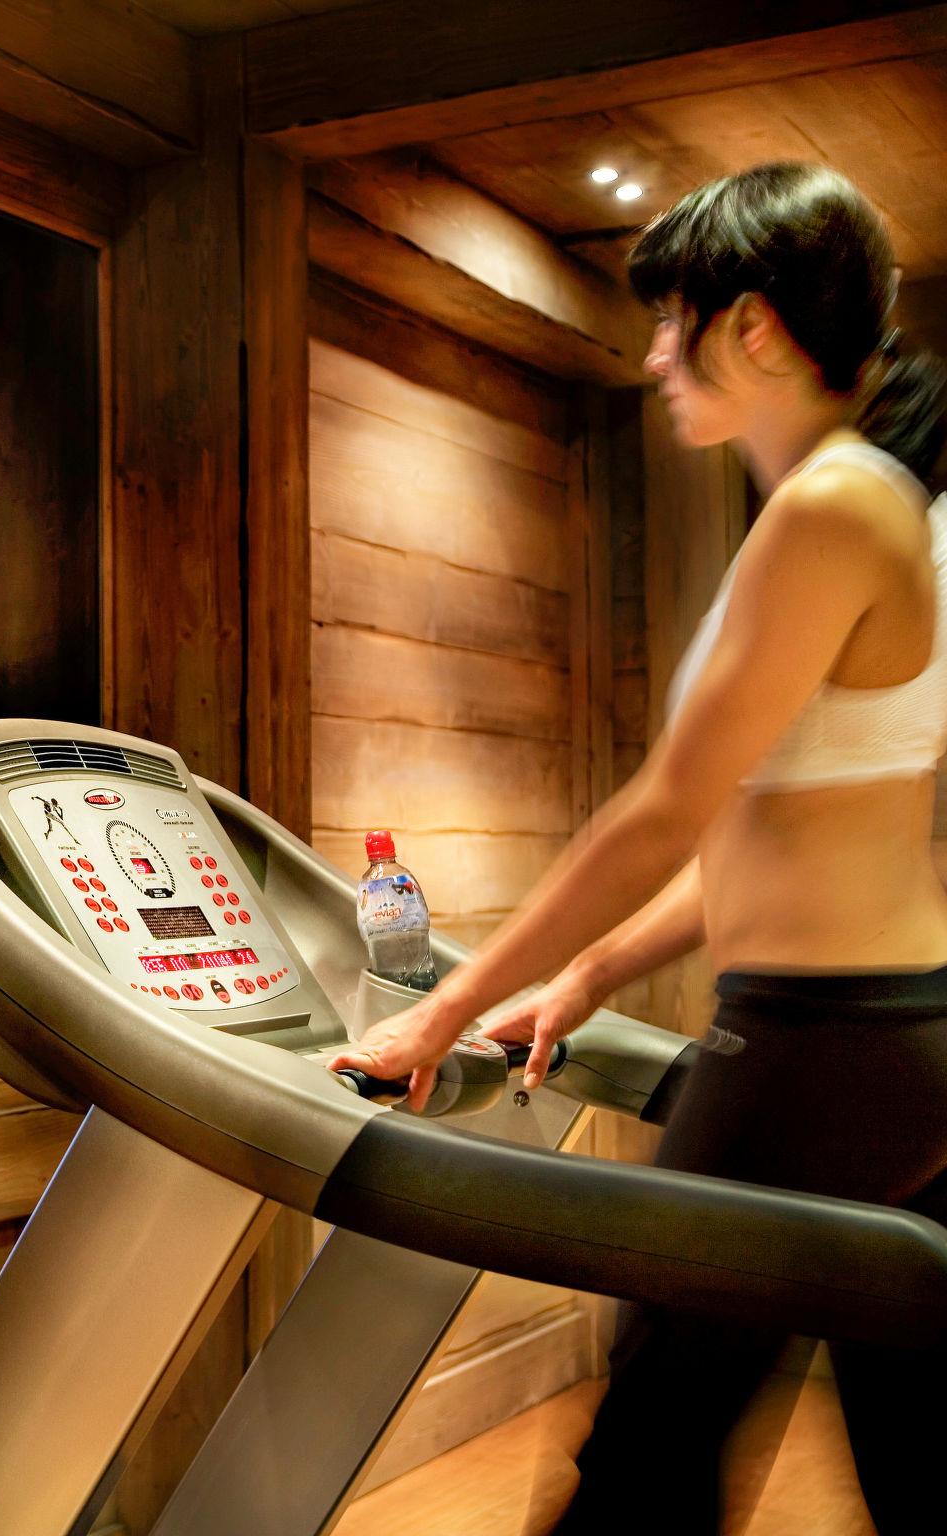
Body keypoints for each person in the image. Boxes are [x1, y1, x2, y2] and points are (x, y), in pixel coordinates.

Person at [326, 161, 947, 1535]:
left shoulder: (835, 509)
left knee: (648, 1453)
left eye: (675, 318)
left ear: (757, 327)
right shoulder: (863, 503)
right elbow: (765, 826)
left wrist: (444, 1009)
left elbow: (667, 807)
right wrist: (591, 971)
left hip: (816, 1050)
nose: (659, 354)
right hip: (883, 1045)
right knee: (913, 1447)